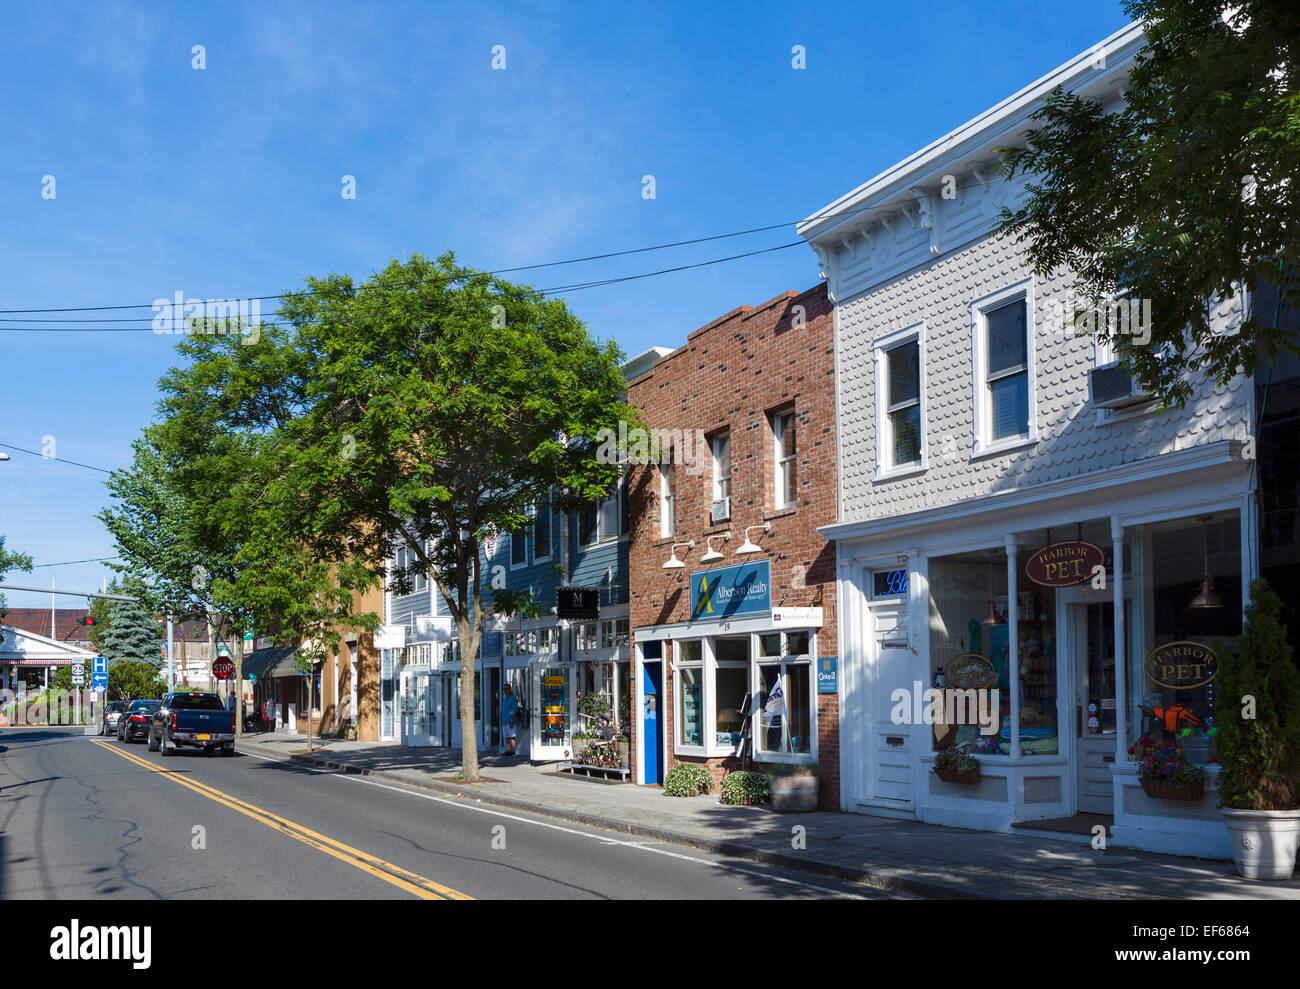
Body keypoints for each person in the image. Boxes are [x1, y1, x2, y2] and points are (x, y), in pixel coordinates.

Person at [501, 683, 520, 757]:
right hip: (504, 720)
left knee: (511, 736)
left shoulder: (513, 698)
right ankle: (508, 750)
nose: (505, 691)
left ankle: (513, 751)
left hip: (510, 720)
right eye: (504, 689)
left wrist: (512, 720)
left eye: (506, 689)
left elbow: (515, 710)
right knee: (506, 736)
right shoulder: (505, 698)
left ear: (510, 689)